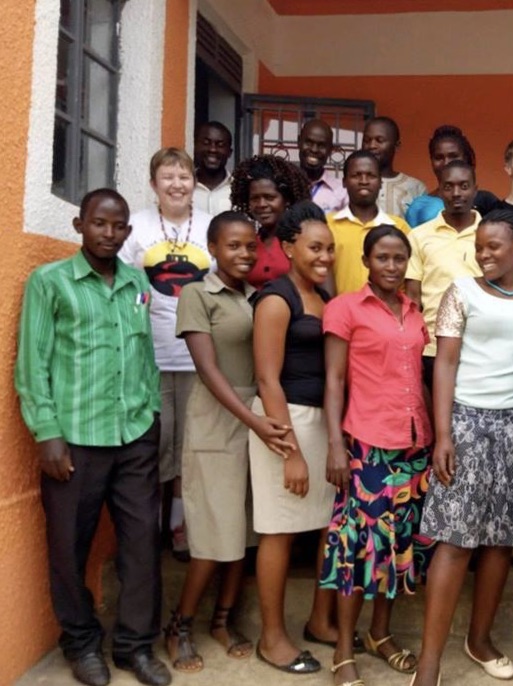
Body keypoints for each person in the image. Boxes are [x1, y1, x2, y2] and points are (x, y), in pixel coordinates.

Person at [15, 189, 170, 686]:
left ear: (127, 231)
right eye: (99, 224)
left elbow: (144, 354)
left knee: (143, 543)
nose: (108, 233)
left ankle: (133, 646)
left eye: (117, 225)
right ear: (80, 225)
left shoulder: (136, 282)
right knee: (68, 548)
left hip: (135, 435)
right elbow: (32, 364)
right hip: (75, 439)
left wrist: (150, 410)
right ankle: (81, 643)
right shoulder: (51, 282)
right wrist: (47, 433)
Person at [412, 210, 513, 686]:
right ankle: (429, 662)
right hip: (467, 424)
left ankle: (480, 639)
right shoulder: (461, 292)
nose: (485, 254)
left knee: (501, 542)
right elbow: (444, 363)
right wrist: (443, 434)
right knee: (454, 543)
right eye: (480, 247)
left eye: (495, 246)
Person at [165, 212, 294, 672]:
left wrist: (263, 420)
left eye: (250, 247)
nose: (243, 254)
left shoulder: (259, 298)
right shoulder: (199, 295)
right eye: (233, 246)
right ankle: (180, 625)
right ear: (213, 248)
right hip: (218, 419)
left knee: (245, 529)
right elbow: (208, 370)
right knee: (213, 532)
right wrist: (253, 420)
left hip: (256, 418)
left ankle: (222, 620)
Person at [322, 225, 434, 686]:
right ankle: (344, 651)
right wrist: (333, 443)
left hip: (413, 444)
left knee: (397, 546)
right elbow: (333, 380)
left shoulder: (413, 311)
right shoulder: (345, 308)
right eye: (382, 258)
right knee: (356, 548)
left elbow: (422, 376)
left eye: (399, 259)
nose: (391, 267)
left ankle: (380, 634)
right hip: (367, 443)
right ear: (367, 261)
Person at [250, 201, 339, 674]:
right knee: (279, 529)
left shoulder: (323, 295)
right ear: (287, 247)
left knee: (329, 523)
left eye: (329, 248)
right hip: (284, 422)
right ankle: (271, 637)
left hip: (322, 423)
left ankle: (320, 622)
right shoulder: (275, 299)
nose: (325, 255)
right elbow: (266, 380)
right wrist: (292, 453)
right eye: (314, 247)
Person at [120, 147, 214, 562]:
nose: (177, 184)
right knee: (153, 447)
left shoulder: (211, 228)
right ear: (153, 183)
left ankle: (179, 528)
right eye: (168, 177)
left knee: (190, 451)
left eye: (184, 176)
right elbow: (122, 288)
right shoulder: (135, 228)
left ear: (194, 182)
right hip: (150, 357)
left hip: (198, 359)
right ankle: (148, 529)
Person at [405, 160, 483, 390]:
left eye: (464, 186)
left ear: (475, 189)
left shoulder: (490, 234)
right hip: (432, 348)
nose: (456, 193)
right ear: (439, 190)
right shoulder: (419, 236)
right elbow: (412, 298)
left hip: (479, 349)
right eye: (448, 187)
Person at [328, 150, 410, 295]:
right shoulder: (327, 225)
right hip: (340, 314)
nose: (364, 181)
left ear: (380, 182)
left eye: (371, 176)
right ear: (344, 182)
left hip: (386, 315)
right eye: (356, 175)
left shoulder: (399, 227)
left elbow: (409, 281)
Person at [230, 154, 312, 288]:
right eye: (255, 198)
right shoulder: (248, 243)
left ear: (286, 200)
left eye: (269, 197)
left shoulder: (300, 241)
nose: (261, 204)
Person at [405, 125, 499, 227]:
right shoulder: (419, 206)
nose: (446, 163)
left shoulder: (485, 201)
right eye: (439, 157)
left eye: (453, 156)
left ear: (466, 157)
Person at [362, 115, 427, 217]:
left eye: (379, 140)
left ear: (396, 146)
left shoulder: (415, 187)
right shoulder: (354, 184)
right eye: (367, 140)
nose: (372, 145)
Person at [298, 118, 348, 212]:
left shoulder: (342, 192)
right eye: (309, 143)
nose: (314, 150)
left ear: (330, 150)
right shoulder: (283, 185)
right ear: (299, 142)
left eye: (321, 145)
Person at [192, 121, 234, 215]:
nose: (212, 149)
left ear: (229, 152)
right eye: (206, 143)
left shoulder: (238, 190)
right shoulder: (183, 188)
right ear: (195, 146)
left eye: (220, 145)